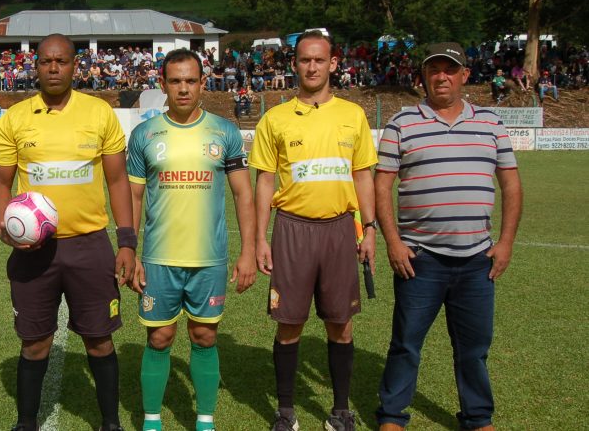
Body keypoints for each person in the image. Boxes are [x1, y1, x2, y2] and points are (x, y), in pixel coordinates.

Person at [0, 33, 137, 431]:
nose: (53, 68)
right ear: (35, 66)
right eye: (45, 61)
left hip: (90, 246)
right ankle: (26, 423)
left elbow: (118, 180)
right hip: (33, 251)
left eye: (61, 61)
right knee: (35, 342)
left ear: (75, 65)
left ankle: (110, 423)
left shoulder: (99, 113)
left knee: (100, 339)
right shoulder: (15, 119)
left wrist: (126, 242)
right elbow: (0, 182)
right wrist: (4, 225)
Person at [374, 43, 522, 431]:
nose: (442, 76)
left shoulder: (490, 122)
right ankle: (392, 416)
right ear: (424, 76)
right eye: (434, 69)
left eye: (450, 69)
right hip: (420, 259)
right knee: (406, 344)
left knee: (474, 348)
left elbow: (511, 184)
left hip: (477, 260)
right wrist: (393, 242)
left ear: (464, 75)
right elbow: (381, 186)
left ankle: (478, 417)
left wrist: (505, 242)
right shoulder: (402, 123)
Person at [250, 31, 378, 431]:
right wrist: (259, 238)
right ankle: (286, 411)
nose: (312, 67)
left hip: (340, 229)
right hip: (292, 230)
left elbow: (363, 175)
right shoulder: (275, 119)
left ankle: (340, 411)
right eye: (305, 60)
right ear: (294, 64)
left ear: (333, 64)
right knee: (289, 322)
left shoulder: (353, 115)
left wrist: (369, 228)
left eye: (319, 60)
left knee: (341, 323)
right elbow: (264, 181)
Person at [126, 48, 258, 431]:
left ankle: (204, 421)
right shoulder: (145, 134)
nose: (183, 89)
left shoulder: (225, 132)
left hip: (208, 259)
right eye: (175, 81)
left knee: (204, 336)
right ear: (163, 84)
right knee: (159, 338)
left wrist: (248, 251)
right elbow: (133, 197)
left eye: (190, 81)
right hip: (159, 258)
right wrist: (130, 252)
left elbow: (243, 195)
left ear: (203, 83)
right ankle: (152, 421)